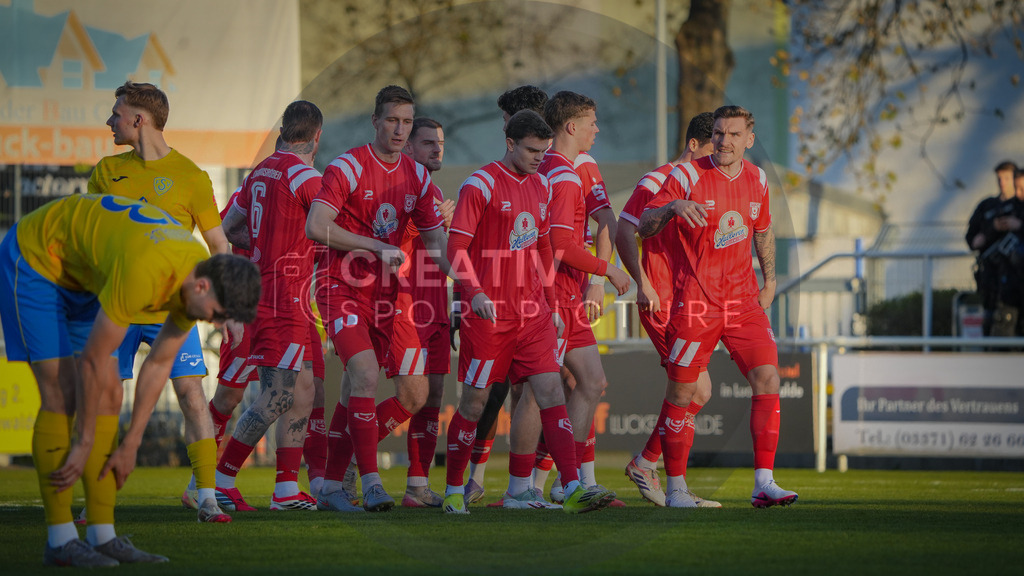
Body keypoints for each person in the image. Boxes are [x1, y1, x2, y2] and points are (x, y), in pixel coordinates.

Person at [0, 194, 259, 566]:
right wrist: (84, 439)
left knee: (108, 393)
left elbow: (156, 366)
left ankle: (102, 535)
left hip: (83, 273)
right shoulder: (149, 271)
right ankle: (59, 539)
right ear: (203, 287)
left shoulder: (192, 282)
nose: (216, 324)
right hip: (36, 259)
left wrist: (132, 442)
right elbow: (90, 360)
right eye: (218, 314)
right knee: (63, 392)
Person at [441, 109, 616, 514]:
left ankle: (570, 487)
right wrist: (476, 292)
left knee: (552, 390)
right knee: (475, 402)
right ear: (509, 143)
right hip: (489, 317)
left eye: (544, 150)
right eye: (533, 150)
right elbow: (455, 251)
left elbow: (541, 248)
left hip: (533, 314)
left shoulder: (541, 185)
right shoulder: (480, 184)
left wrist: (552, 305)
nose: (540, 158)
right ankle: (453, 491)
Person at [87, 81, 232, 523]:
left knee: (191, 394)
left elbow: (218, 245)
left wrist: (226, 306)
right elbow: (91, 236)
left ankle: (206, 496)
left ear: (138, 119)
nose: (109, 120)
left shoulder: (191, 177)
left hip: (173, 309)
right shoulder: (106, 172)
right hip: (117, 304)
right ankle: (98, 503)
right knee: (104, 397)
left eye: (116, 113)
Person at [306, 85, 456, 512]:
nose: (399, 128)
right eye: (393, 120)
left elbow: (437, 245)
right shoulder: (348, 166)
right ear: (375, 121)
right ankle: (370, 481)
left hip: (392, 298)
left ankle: (333, 485)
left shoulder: (417, 176)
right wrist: (375, 247)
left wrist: (475, 284)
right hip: (342, 288)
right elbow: (316, 226)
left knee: (414, 393)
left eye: (406, 121)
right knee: (365, 375)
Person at [638, 105, 797, 508]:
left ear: (749, 139)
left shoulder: (758, 178)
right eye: (719, 133)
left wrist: (771, 279)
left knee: (768, 380)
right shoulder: (688, 174)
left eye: (732, 134)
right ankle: (675, 488)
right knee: (683, 391)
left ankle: (764, 482)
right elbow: (643, 223)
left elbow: (762, 230)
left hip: (743, 301)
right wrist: (671, 208)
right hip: (696, 303)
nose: (724, 140)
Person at [214, 101, 325, 512]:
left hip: (269, 291)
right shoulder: (306, 176)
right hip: (285, 297)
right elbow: (332, 228)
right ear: (317, 136)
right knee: (278, 395)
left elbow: (230, 229)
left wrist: (260, 248)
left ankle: (284, 490)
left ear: (284, 131)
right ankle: (222, 479)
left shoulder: (259, 171)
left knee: (303, 391)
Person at [616, 112, 721, 507]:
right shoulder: (659, 180)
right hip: (661, 298)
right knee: (696, 387)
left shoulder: (704, 183)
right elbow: (626, 227)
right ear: (693, 145)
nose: (719, 156)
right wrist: (642, 283)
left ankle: (647, 463)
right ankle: (654, 469)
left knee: (700, 389)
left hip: (689, 301)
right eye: (712, 147)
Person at [537, 91, 630, 501]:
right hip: (550, 291)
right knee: (539, 389)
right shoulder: (561, 172)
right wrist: (606, 269)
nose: (598, 128)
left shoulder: (569, 168)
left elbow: (600, 221)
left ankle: (566, 480)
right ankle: (526, 486)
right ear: (571, 127)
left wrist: (594, 276)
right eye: (592, 121)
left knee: (590, 381)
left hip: (566, 290)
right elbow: (560, 244)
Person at [382, 117, 456, 507]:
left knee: (434, 398)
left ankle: (417, 486)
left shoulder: (435, 188)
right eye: (427, 142)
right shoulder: (397, 185)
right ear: (408, 147)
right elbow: (387, 238)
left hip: (435, 306)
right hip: (404, 306)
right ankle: (338, 460)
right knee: (412, 395)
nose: (436, 149)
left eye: (440, 143)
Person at [966, 161, 1019, 336]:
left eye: (1006, 178)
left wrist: (1017, 225)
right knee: (990, 322)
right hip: (990, 278)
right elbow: (972, 239)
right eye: (999, 178)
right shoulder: (987, 206)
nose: (1002, 182)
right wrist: (992, 228)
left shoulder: (1020, 206)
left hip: (1016, 280)